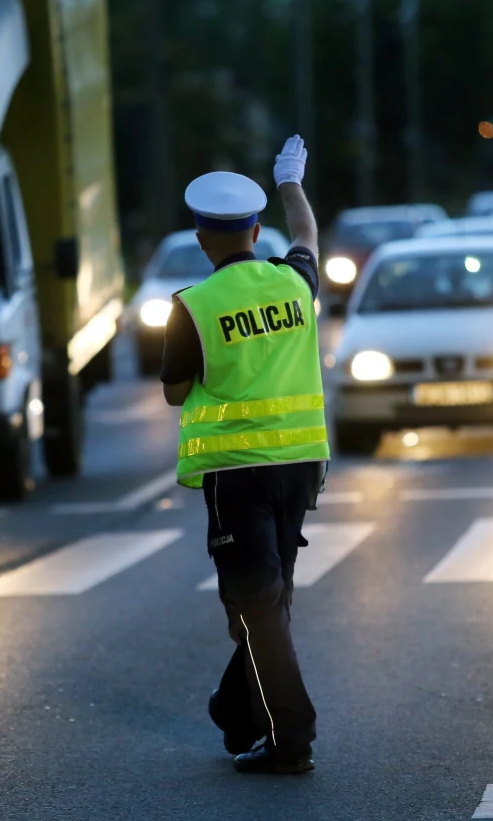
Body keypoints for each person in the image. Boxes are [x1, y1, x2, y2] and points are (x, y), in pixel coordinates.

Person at [161, 136, 329, 775]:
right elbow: (309, 231)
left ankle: (292, 739)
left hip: (236, 475)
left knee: (253, 606)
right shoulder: (293, 282)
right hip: (300, 466)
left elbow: (177, 391)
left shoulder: (193, 308)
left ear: (202, 238)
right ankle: (237, 708)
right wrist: (290, 180)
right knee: (269, 599)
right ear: (257, 230)